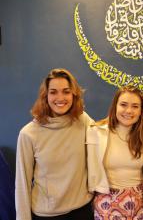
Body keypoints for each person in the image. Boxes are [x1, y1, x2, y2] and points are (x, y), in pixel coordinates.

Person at [15, 68, 94, 220]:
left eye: (66, 91)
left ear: (74, 94)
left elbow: (104, 136)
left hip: (82, 212)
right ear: (45, 95)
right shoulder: (29, 133)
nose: (60, 98)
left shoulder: (82, 120)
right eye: (53, 92)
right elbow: (22, 184)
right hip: (46, 215)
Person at [87, 86, 143, 220]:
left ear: (141, 111)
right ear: (115, 107)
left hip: (140, 203)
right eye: (123, 105)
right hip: (106, 201)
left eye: (135, 106)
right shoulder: (97, 132)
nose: (129, 111)